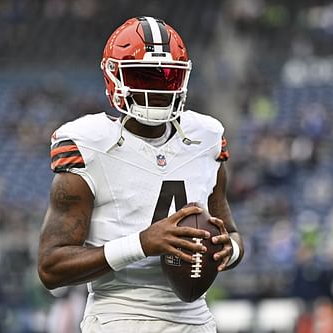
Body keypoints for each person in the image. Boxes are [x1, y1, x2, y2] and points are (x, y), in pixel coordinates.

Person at [37, 16, 244, 333]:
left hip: (195, 319)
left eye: (167, 78)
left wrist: (229, 251)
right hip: (121, 316)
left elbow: (231, 234)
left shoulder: (205, 138)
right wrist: (142, 244)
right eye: (144, 76)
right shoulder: (89, 144)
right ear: (114, 77)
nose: (157, 88)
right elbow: (51, 266)